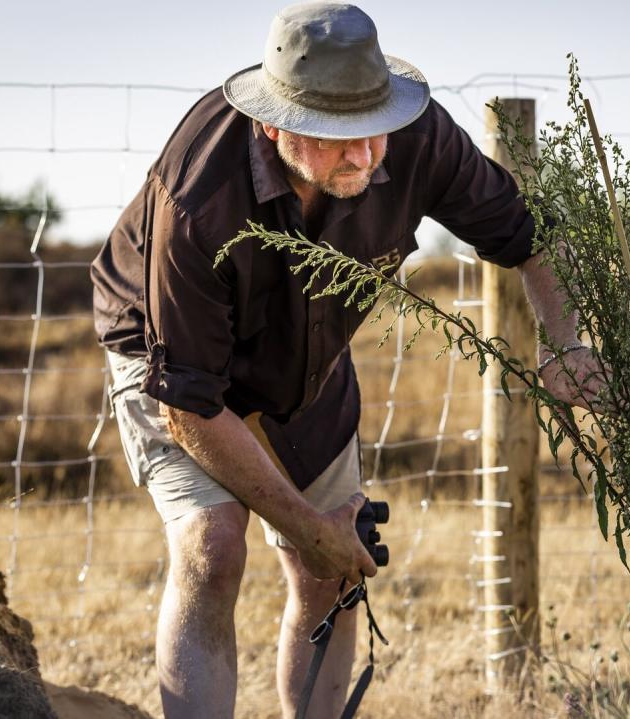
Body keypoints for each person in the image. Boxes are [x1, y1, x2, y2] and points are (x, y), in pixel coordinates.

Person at [90, 3, 602, 717]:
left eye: (373, 131)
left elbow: (530, 233)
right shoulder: (198, 198)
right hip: (173, 360)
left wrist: (565, 342)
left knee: (333, 571)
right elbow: (192, 408)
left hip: (308, 357)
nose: (363, 155)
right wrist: (306, 523)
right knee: (213, 547)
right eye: (335, 139)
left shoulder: (415, 136)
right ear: (274, 122)